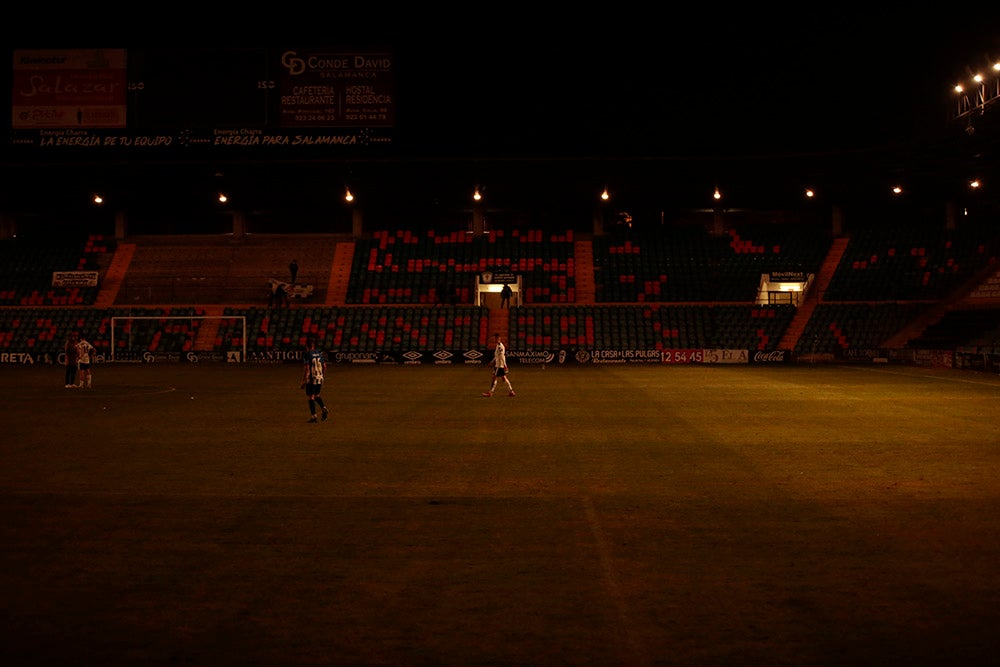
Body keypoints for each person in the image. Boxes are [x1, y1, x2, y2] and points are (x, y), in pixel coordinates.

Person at [301, 338, 330, 423]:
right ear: (313, 346)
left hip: (311, 378)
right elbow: (325, 367)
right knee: (317, 395)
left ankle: (314, 416)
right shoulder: (319, 353)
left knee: (311, 397)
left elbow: (307, 368)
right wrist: (323, 377)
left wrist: (303, 381)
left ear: (306, 346)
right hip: (319, 377)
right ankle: (323, 408)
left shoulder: (307, 354)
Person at [482, 332, 515, 397]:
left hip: (499, 365)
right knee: (504, 378)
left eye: (497, 338)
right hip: (499, 365)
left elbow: (502, 356)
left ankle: (490, 392)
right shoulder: (498, 345)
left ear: (499, 338)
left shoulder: (500, 346)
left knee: (494, 377)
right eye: (495, 338)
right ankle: (511, 391)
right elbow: (497, 356)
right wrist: (492, 361)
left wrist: (505, 365)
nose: (495, 339)